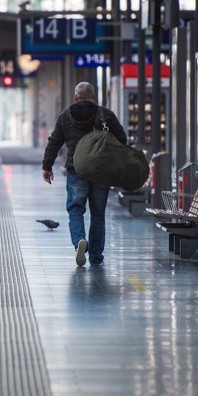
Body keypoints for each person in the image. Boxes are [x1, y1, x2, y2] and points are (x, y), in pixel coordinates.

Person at [41, 81, 127, 267]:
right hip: (100, 171)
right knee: (98, 214)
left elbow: (54, 142)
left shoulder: (65, 116)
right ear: (93, 97)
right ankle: (96, 257)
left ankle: (79, 240)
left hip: (76, 169)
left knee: (75, 209)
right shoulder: (105, 115)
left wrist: (47, 167)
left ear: (76, 97)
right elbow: (122, 138)